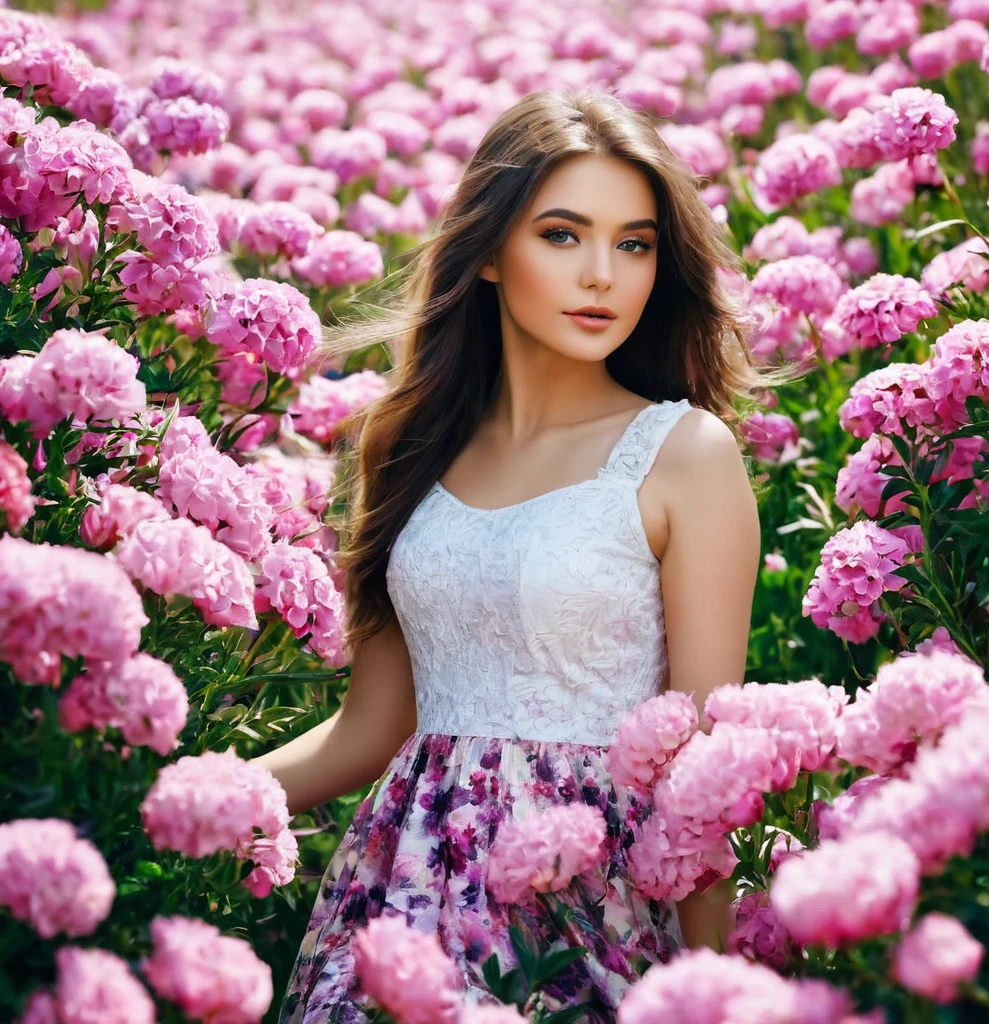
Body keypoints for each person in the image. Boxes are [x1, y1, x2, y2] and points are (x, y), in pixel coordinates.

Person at [256, 88, 795, 1024]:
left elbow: (704, 775)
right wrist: (198, 792)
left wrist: (716, 993)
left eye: (634, 243)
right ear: (494, 251)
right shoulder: (409, 445)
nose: (603, 275)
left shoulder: (684, 454)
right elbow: (371, 727)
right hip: (402, 897)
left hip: (588, 909)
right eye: (562, 234)